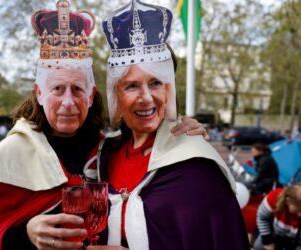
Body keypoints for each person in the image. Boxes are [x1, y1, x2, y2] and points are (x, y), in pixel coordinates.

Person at [0, 1, 206, 249]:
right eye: (57, 88)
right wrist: (25, 235)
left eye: (77, 89)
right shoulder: (13, 154)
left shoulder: (106, 150)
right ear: (40, 93)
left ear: (91, 95)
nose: (68, 102)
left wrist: (177, 127)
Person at [86, 1, 250, 249]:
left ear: (170, 89)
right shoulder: (104, 154)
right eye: (131, 85)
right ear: (115, 94)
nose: (147, 97)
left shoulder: (197, 165)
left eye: (156, 83)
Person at [254, 183, 301, 250]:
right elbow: (262, 218)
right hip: (273, 233)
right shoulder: (275, 196)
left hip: (296, 241)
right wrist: (268, 242)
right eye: (298, 210)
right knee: (258, 247)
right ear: (288, 201)